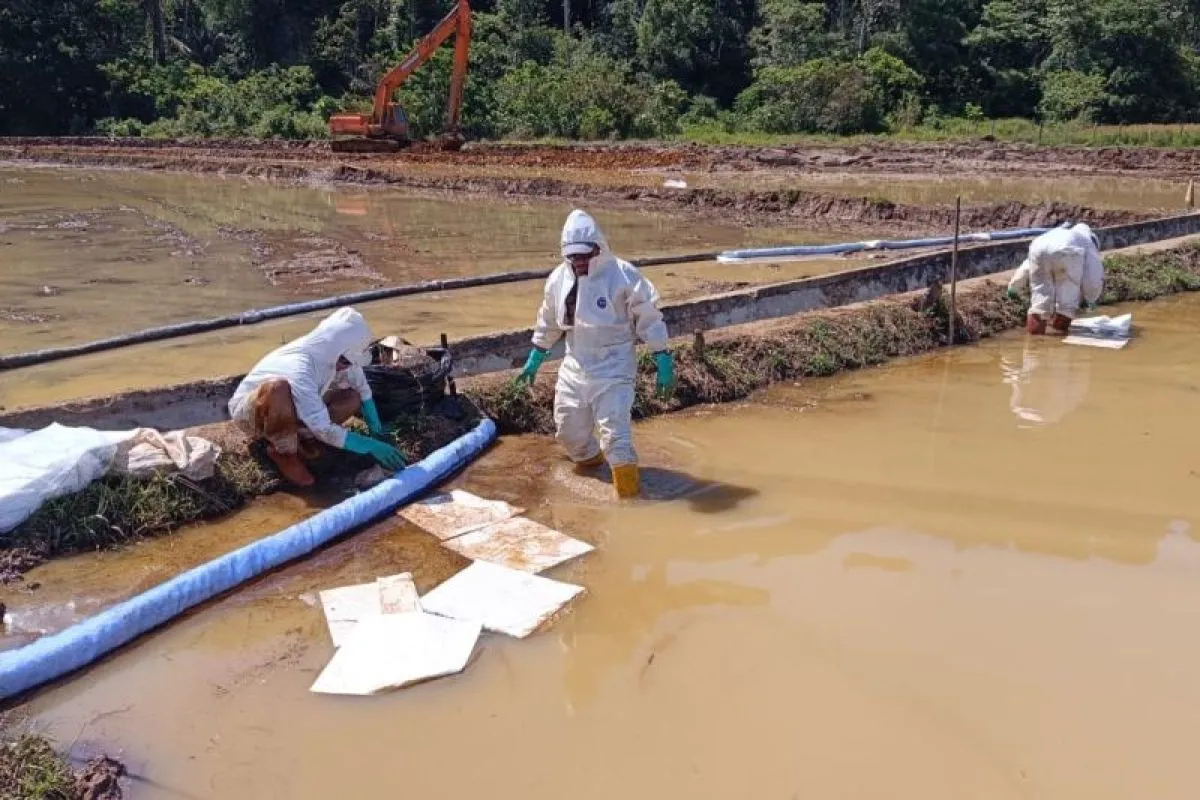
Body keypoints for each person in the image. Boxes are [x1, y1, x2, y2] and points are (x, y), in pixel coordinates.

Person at [515, 209, 675, 499]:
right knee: (569, 434)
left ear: (598, 249)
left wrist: (661, 355)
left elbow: (649, 317)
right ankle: (595, 468)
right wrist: (537, 354)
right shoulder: (558, 280)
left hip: (614, 366)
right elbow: (549, 319)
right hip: (575, 362)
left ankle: (631, 503)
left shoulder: (623, 276)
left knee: (615, 439)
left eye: (584, 256)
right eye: (573, 256)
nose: (579, 262)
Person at [227, 306, 406, 487]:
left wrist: (376, 431)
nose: (346, 366)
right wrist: (370, 446)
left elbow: (362, 389)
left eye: (349, 362)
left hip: (294, 408)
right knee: (277, 389)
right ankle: (283, 452)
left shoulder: (338, 358)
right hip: (253, 415)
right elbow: (323, 428)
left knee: (351, 398)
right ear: (336, 352)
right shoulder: (300, 366)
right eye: (345, 361)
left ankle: (305, 438)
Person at [1007, 223, 1104, 334]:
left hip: (1037, 247)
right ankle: (1058, 336)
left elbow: (1027, 265)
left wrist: (1014, 287)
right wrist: (1090, 299)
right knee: (1066, 306)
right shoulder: (1088, 243)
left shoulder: (1057, 234)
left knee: (1039, 305)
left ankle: (1035, 340)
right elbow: (1093, 276)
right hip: (1067, 251)